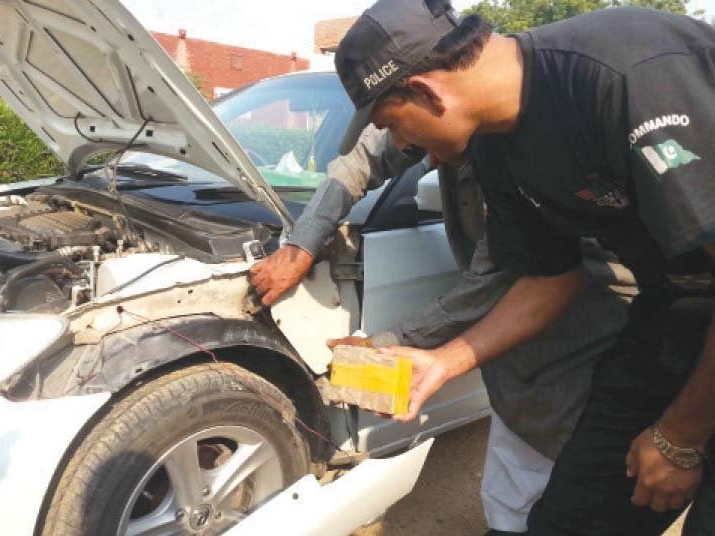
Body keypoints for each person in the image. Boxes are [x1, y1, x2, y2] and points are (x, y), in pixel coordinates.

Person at [293, 0, 715, 535]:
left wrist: (681, 436)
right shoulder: (495, 144)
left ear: (424, 90)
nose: (403, 144)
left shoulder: (626, 73)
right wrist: (442, 362)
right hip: (677, 306)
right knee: (569, 518)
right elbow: (549, 279)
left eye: (395, 126)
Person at [251, 125, 633, 534]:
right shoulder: (423, 118)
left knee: (565, 476)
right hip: (516, 361)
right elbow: (362, 159)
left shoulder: (521, 158)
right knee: (510, 477)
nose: (427, 164)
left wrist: (384, 346)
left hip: (582, 339)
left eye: (435, 149)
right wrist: (301, 243)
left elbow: (494, 280)